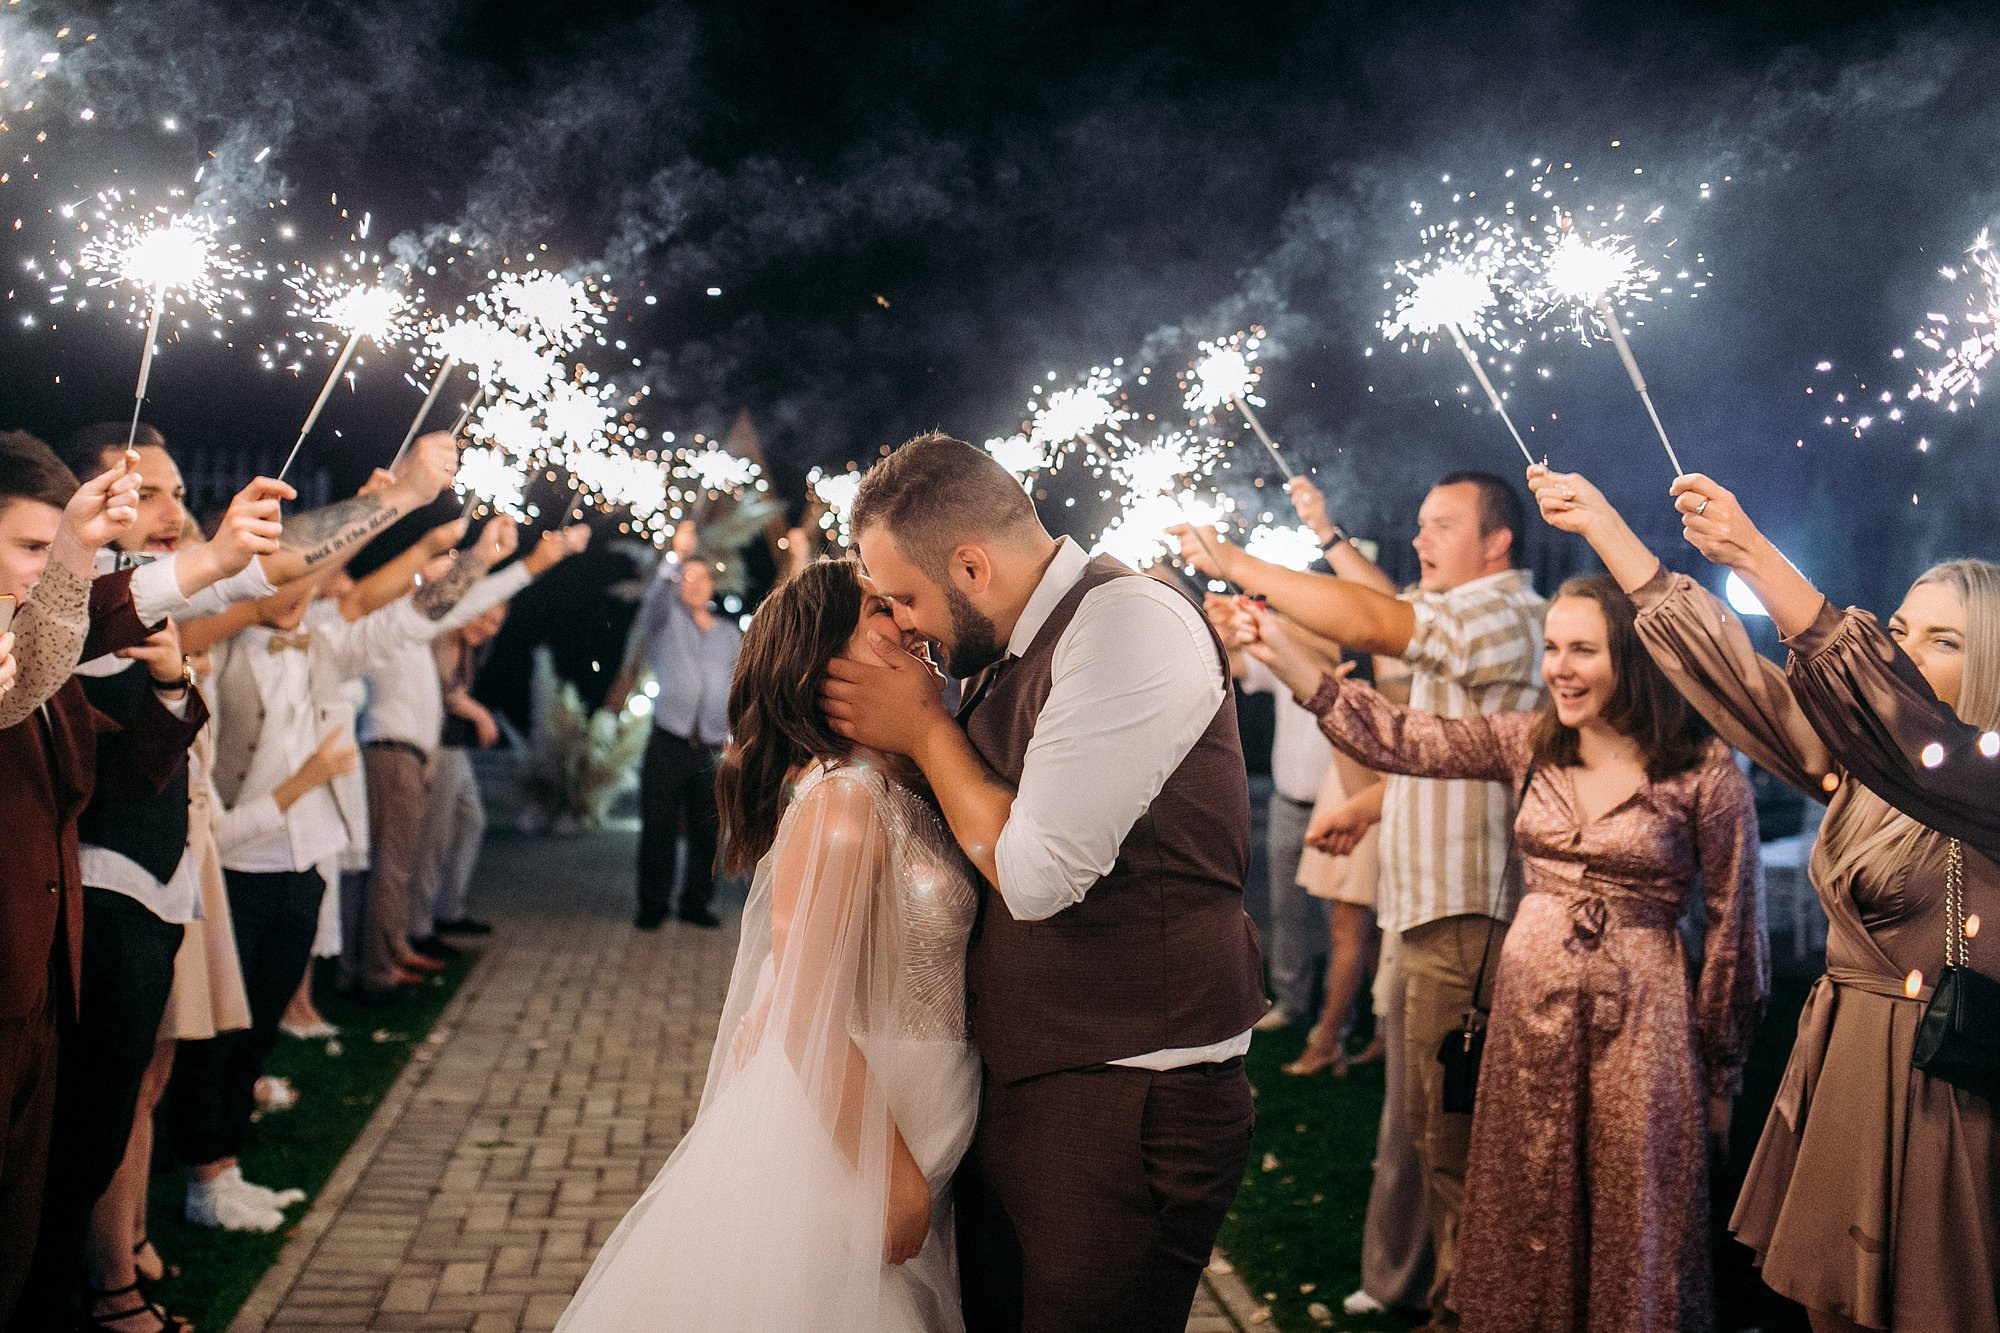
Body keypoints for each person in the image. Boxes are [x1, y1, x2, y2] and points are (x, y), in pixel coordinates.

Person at [1531, 463, 2000, 1333]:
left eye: (1943, 639)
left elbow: (1884, 707)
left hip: (1946, 1087)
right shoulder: (1863, 774)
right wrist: (1607, 529)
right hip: (1847, 1062)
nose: (1903, 652)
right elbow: (1740, 679)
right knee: (1834, 1307)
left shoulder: (1985, 782)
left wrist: (1753, 551)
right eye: (1899, 629)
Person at [1238, 571, 1768, 1330]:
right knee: (1526, 1196)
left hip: (1642, 1029)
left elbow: (1734, 931)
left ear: (1636, 658)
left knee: (1631, 1212)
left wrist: (1722, 1071)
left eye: (1583, 649)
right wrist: (1284, 655)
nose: (1558, 666)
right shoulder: (1530, 743)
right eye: (1552, 647)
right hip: (1530, 1023)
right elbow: (1402, 736)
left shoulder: (1703, 772)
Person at [822, 433, 1264, 1333]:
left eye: (906, 596)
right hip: (1036, 1087)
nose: (905, 622)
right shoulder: (1008, 651)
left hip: (1129, 1101)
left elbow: (1035, 875)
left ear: (971, 564)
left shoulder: (1126, 622)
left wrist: (924, 731)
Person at [558, 560, 980, 1331]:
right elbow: (802, 1013)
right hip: (856, 1146)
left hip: (925, 1116)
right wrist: (895, 1184)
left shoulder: (905, 788)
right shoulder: (843, 802)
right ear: (828, 662)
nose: (910, 625)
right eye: (881, 613)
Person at [1174, 469, 1544, 1328]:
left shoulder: (1505, 614)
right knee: (1416, 1122)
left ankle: (1463, 1305)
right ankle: (1411, 1283)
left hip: (1470, 913)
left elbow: (1380, 624)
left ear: (1499, 542)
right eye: (1418, 523)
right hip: (1425, 902)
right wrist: (1270, 633)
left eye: (1442, 525)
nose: (1421, 539)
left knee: (1452, 1139)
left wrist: (1238, 560)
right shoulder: (1466, 613)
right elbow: (1406, 722)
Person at [622, 520, 741, 929]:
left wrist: (736, 737)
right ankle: (652, 906)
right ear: (677, 583)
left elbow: (738, 689)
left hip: (711, 746)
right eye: (686, 578)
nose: (694, 583)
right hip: (668, 740)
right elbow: (654, 595)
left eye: (701, 577)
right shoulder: (663, 620)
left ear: (712, 585)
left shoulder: (729, 635)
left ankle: (696, 903)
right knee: (658, 826)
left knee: (707, 830)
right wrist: (675, 554)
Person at [408, 600, 510, 943]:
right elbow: (445, 693)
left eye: (496, 622)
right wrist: (482, 715)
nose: (487, 627)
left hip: (455, 746)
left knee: (471, 822)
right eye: (484, 614)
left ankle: (449, 909)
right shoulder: (443, 638)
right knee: (434, 837)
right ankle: (419, 927)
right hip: (435, 745)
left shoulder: (470, 647)